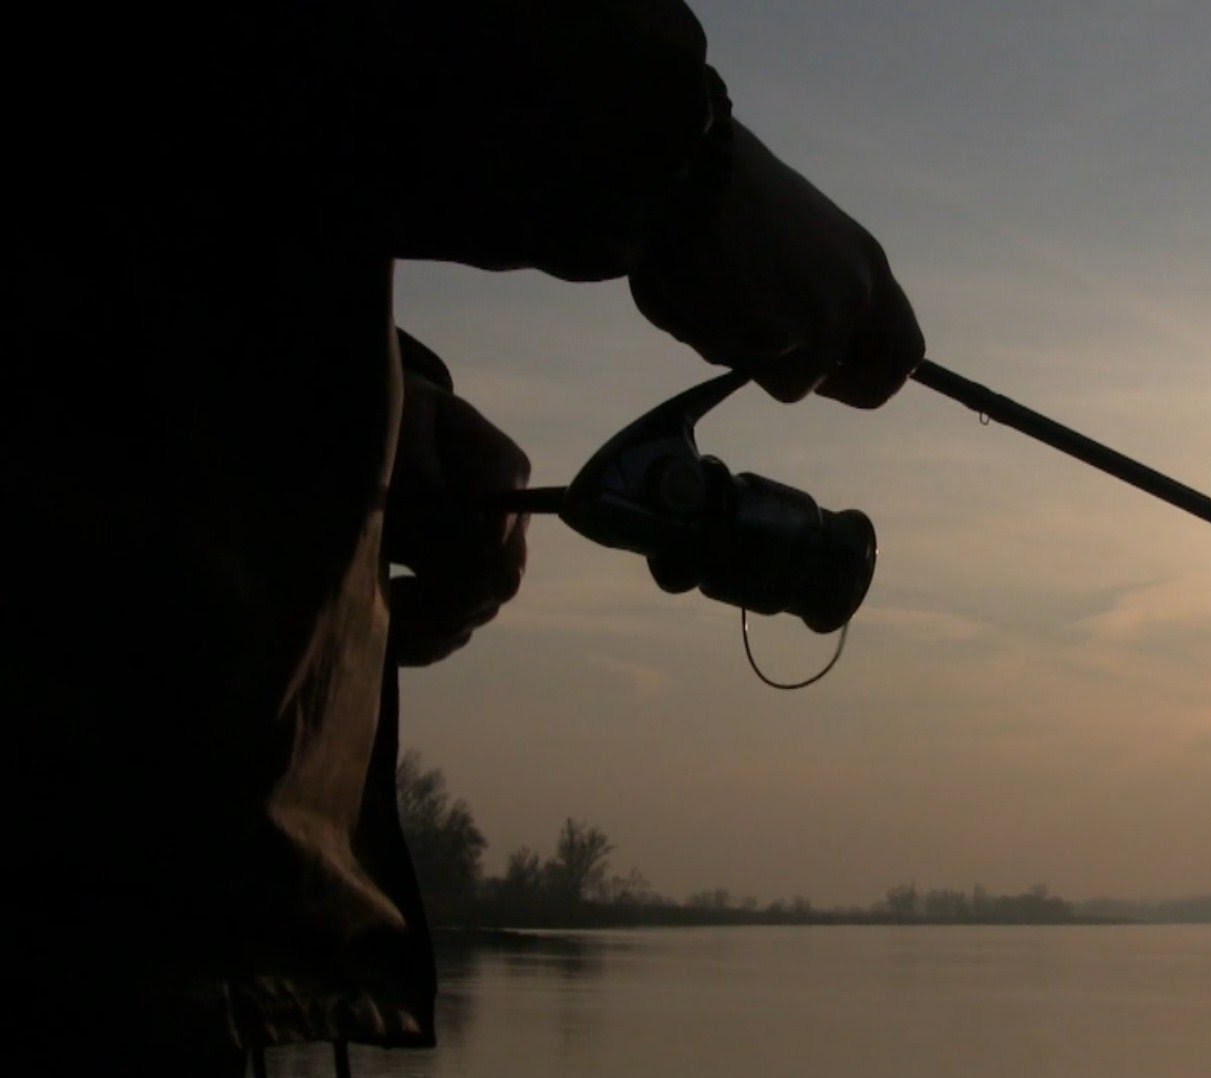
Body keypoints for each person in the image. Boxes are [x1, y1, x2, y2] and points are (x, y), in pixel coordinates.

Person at [8, 1, 923, 1072]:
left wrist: (386, 403)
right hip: (82, 859)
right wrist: (683, 161)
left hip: (149, 863)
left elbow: (161, 174)